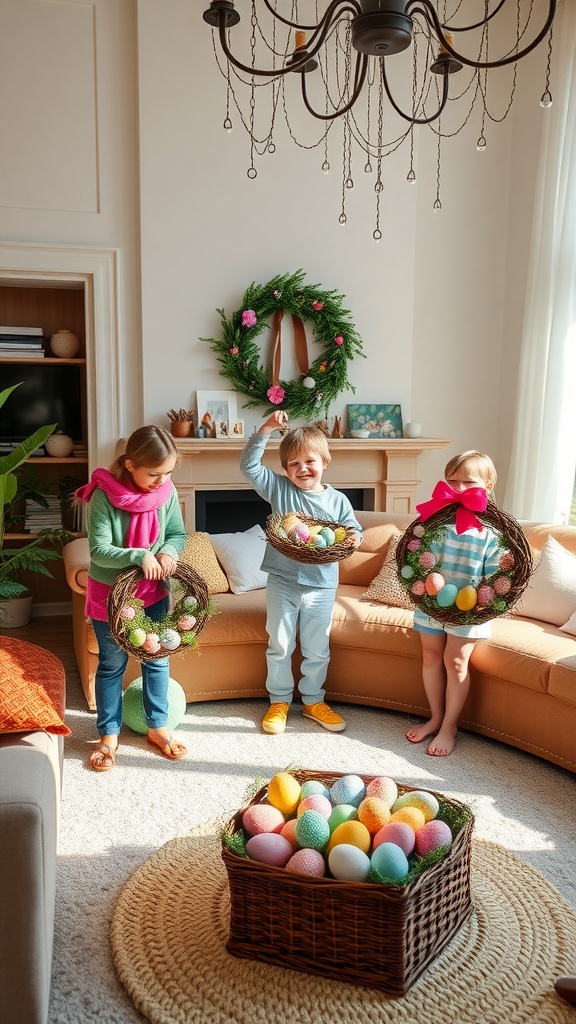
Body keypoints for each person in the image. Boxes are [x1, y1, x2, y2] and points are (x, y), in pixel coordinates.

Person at [240, 410, 362, 735]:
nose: (302, 468)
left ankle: (312, 701)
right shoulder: (279, 490)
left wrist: (354, 537)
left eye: (309, 461)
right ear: (284, 469)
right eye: (293, 463)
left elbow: (353, 530)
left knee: (316, 647)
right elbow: (249, 467)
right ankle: (279, 700)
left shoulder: (337, 500)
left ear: (325, 461)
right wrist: (266, 429)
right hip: (282, 580)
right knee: (279, 644)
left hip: (321, 586)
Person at [75, 425, 188, 771]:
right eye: (154, 473)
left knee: (157, 660)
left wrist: (169, 552)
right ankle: (108, 735)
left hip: (152, 593)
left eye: (167, 473)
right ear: (128, 464)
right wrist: (140, 555)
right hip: (110, 598)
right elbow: (99, 551)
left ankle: (157, 726)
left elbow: (177, 533)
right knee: (111, 665)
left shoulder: (166, 493)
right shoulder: (103, 497)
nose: (161, 481)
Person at [406, 450, 501, 757]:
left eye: (468, 482)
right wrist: (427, 585)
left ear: (487, 485)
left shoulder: (492, 532)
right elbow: (422, 558)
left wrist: (481, 601)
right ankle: (435, 717)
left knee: (456, 661)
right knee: (431, 657)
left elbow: (497, 575)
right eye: (452, 481)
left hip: (471, 608)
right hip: (432, 603)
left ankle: (450, 726)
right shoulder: (436, 521)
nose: (458, 489)